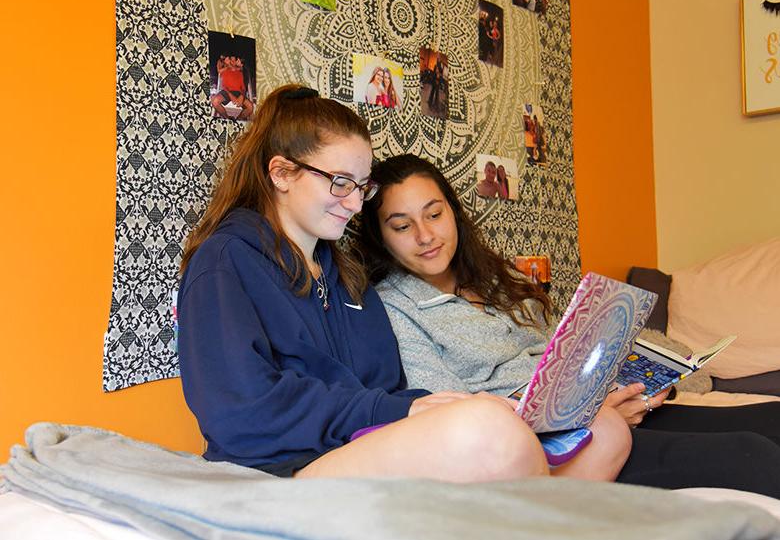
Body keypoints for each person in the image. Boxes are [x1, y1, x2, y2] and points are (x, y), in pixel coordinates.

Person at [176, 84, 630, 483]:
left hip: (358, 446)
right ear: (281, 173)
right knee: (488, 434)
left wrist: (432, 406)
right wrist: (402, 411)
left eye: (361, 186)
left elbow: (386, 388)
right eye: (339, 183)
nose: (355, 204)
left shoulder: (345, 276)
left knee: (607, 433)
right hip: (277, 470)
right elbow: (239, 412)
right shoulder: (225, 262)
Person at [357, 153, 780, 498]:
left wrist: (625, 384)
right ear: (381, 236)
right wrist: (578, 414)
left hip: (601, 411)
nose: (425, 234)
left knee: (772, 420)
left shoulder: (498, 280)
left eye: (434, 214)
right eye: (402, 225)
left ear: (453, 212)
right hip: (552, 445)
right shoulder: (395, 309)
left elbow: (566, 352)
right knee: (752, 454)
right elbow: (448, 418)